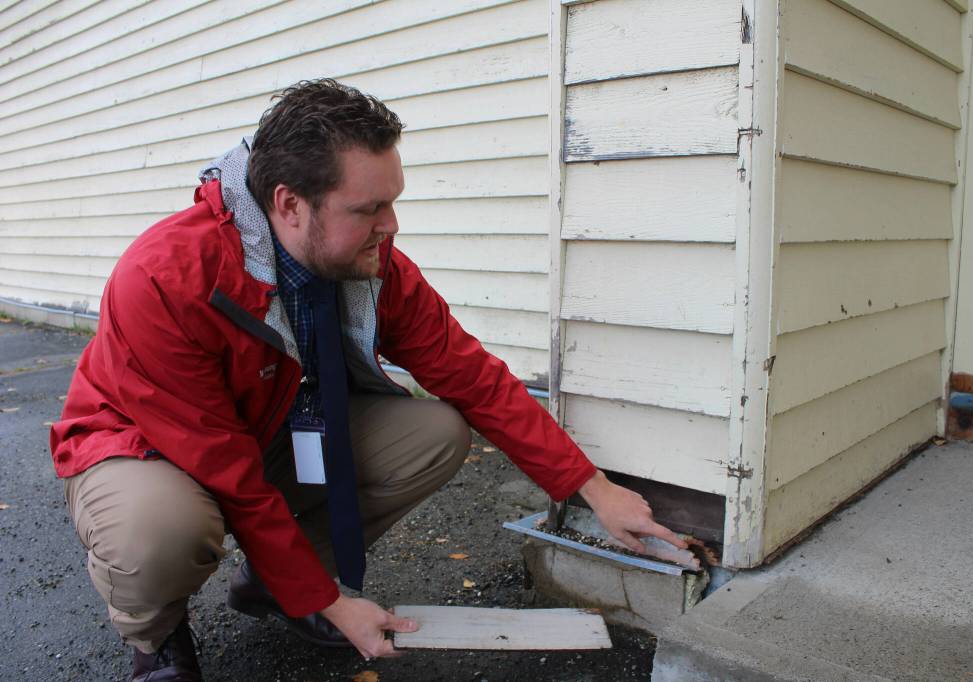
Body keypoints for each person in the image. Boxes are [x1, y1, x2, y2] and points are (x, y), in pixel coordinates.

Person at [50, 79, 688, 681]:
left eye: (394, 201)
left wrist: (592, 489)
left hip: (264, 425)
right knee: (162, 531)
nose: (392, 225)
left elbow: (470, 374)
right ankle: (155, 635)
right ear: (289, 205)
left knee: (435, 432)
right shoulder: (165, 277)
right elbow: (224, 467)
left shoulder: (375, 265)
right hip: (142, 448)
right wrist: (332, 602)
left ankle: (280, 586)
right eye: (370, 208)